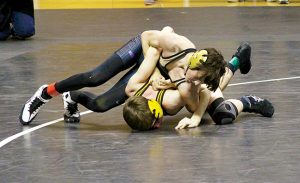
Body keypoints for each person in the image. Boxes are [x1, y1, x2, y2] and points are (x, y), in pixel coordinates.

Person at [19, 26, 246, 125]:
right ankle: (45, 93)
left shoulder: (192, 80)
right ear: (195, 60)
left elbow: (204, 94)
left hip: (151, 69)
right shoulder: (179, 46)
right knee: (96, 76)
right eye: (197, 75)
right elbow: (149, 36)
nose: (195, 81)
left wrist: (194, 113)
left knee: (100, 104)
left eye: (200, 80)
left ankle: (72, 97)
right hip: (144, 49)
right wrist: (153, 69)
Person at [123, 46, 274, 130]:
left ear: (154, 106)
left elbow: (205, 90)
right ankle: (236, 61)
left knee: (222, 115)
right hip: (187, 79)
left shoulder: (172, 100)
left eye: (154, 121)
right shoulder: (135, 93)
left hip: (192, 78)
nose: (157, 126)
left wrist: (196, 118)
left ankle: (249, 102)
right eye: (152, 126)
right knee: (207, 91)